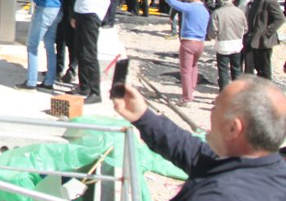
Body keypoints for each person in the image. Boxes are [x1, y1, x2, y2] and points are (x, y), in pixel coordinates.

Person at [112, 76, 286, 201]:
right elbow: (190, 149)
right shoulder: (267, 168)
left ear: (233, 128)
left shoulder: (218, 195)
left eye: (215, 107)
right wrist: (142, 116)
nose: (212, 113)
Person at [66, 0, 116, 104]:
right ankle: (83, 85)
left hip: (92, 12)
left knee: (89, 52)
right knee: (79, 50)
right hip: (81, 9)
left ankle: (95, 91)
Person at [157, 0, 210, 106]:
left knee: (185, 70)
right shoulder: (205, 10)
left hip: (189, 42)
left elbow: (174, 3)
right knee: (193, 66)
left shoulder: (192, 7)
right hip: (200, 43)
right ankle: (191, 89)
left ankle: (187, 98)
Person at [244, 0, 286, 79]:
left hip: (264, 42)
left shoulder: (269, 0)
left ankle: (266, 91)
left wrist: (266, 33)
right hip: (252, 39)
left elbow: (280, 18)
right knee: (249, 67)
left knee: (264, 70)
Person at [209, 0, 248, 91]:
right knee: (236, 69)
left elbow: (212, 32)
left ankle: (224, 94)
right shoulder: (240, 12)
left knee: (223, 70)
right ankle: (238, 93)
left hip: (223, 44)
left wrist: (215, 36)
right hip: (236, 43)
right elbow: (245, 29)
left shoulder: (217, 12)